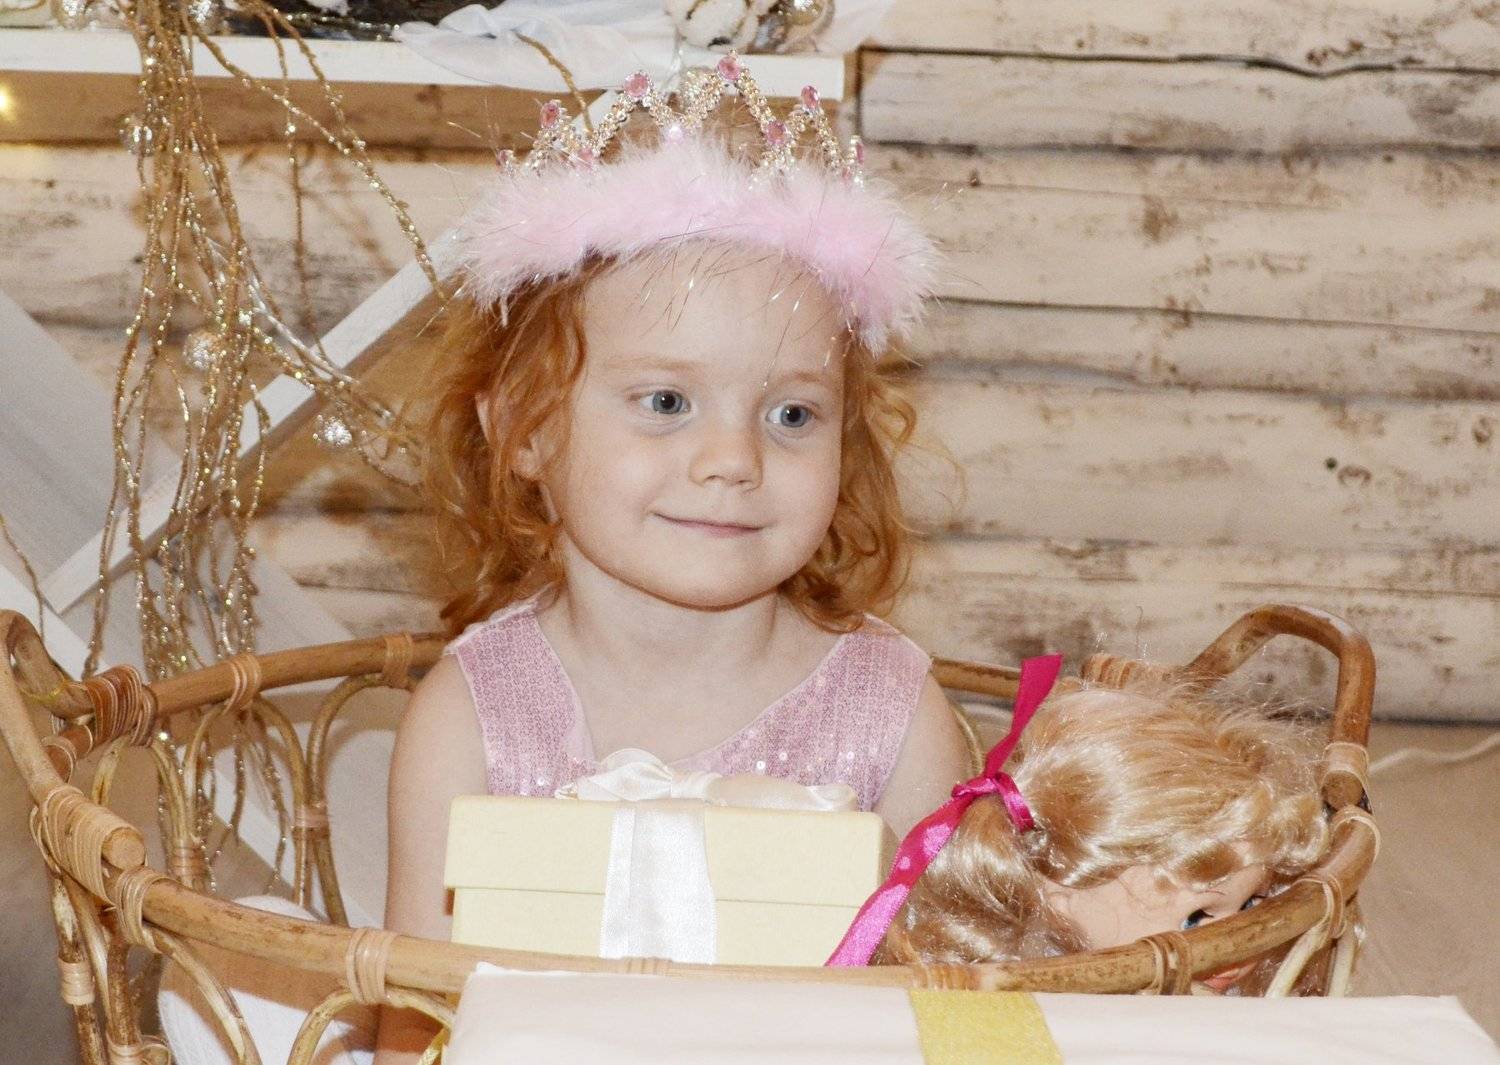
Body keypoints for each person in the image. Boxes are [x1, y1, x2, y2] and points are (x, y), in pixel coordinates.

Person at [379, 61, 970, 1061]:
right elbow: (416, 1032)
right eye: (666, 402)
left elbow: (941, 1023)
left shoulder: (892, 718)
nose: (733, 459)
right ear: (524, 428)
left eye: (792, 414)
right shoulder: (473, 716)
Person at [828, 656, 1328, 995]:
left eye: (1251, 904)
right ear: (1062, 894)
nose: (1237, 942)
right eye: (1196, 918)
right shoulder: (1017, 995)